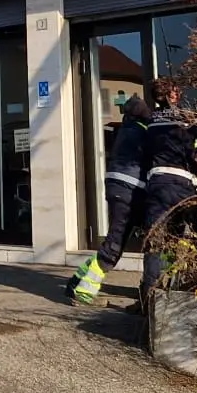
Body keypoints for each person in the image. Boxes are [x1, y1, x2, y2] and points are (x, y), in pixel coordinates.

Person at [69, 94, 148, 305]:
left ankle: (77, 279)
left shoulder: (126, 129)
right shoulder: (143, 131)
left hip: (116, 185)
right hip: (129, 188)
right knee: (116, 242)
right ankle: (85, 291)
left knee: (116, 239)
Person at [132, 81, 197, 295]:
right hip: (181, 184)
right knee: (179, 239)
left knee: (155, 239)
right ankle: (173, 289)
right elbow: (194, 156)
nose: (179, 94)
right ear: (170, 96)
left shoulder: (150, 122)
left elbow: (144, 154)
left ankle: (149, 293)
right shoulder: (183, 120)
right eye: (176, 91)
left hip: (156, 183)